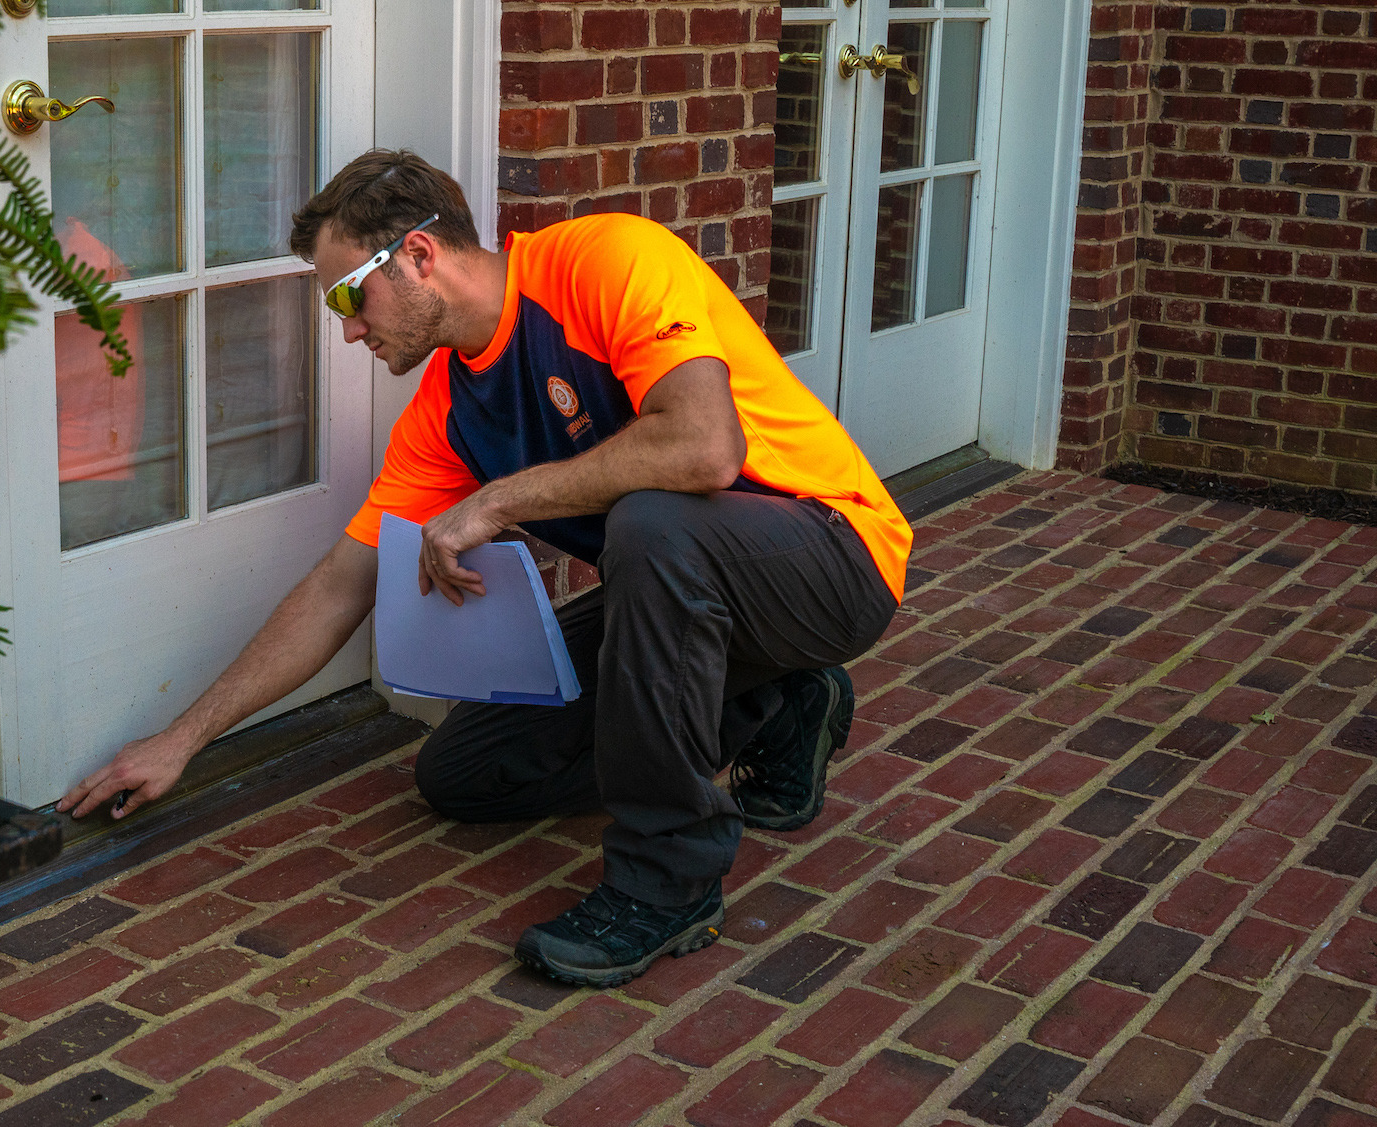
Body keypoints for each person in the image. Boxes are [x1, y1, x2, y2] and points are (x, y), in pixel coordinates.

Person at [59, 150, 911, 988]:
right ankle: (781, 700)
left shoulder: (608, 262)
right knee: (461, 773)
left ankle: (668, 882)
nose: (349, 328)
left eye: (349, 296)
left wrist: (498, 501)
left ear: (419, 255)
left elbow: (704, 448)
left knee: (652, 525)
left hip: (836, 553)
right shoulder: (446, 411)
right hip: (691, 599)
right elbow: (339, 587)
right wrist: (182, 738)